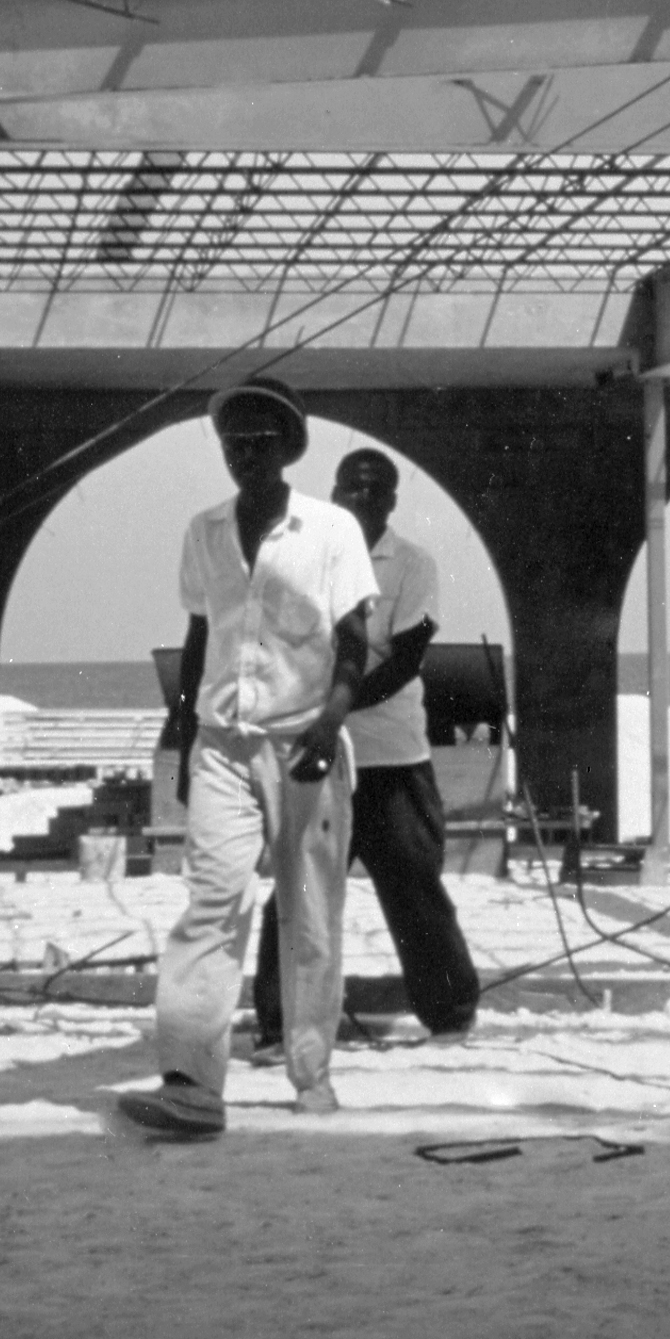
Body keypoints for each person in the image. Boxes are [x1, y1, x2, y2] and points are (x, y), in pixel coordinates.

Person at [117, 377, 375, 1139]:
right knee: (211, 903)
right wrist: (183, 730)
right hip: (224, 746)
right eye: (233, 444)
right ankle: (191, 1086)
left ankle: (310, 1073)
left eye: (259, 443)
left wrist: (329, 727)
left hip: (308, 746)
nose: (244, 456)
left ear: (286, 449)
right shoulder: (202, 531)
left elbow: (356, 646)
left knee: (310, 919)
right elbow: (203, 634)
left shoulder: (331, 531)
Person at [252, 447, 481, 1053]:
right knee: (298, 891)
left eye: (373, 491)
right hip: (321, 760)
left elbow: (406, 659)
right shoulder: (306, 559)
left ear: (391, 501)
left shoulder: (412, 564)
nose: (360, 499)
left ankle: (451, 1014)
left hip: (393, 761)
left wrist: (335, 712)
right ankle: (279, 1024)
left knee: (413, 889)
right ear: (334, 494)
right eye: (350, 489)